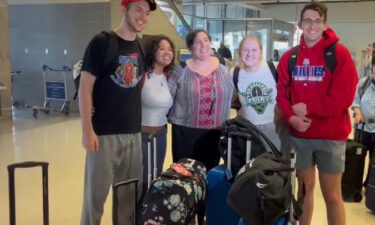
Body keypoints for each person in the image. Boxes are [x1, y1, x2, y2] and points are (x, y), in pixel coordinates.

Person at [276, 2, 358, 225]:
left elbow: (343, 98)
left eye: (317, 20)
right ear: (300, 24)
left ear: (325, 24)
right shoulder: (289, 58)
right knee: (304, 193)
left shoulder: (339, 55)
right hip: (300, 137)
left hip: (330, 137)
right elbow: (281, 94)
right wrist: (291, 117)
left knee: (332, 195)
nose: (312, 25)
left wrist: (310, 109)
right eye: (308, 20)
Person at [78, 0, 156, 225]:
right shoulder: (102, 42)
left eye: (147, 12)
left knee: (128, 200)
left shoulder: (141, 46)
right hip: (103, 136)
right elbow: (85, 87)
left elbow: (139, 83)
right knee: (95, 199)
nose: (143, 16)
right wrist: (87, 131)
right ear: (124, 10)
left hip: (133, 133)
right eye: (138, 9)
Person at [168, 29, 234, 225]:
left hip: (215, 133)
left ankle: (207, 219)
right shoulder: (180, 69)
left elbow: (237, 93)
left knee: (211, 181)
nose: (203, 45)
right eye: (198, 42)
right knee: (186, 182)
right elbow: (164, 98)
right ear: (190, 47)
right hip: (185, 133)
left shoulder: (224, 67)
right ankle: (187, 219)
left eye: (206, 40)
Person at [232, 35, 283, 151]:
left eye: (254, 50)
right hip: (247, 129)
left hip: (274, 128)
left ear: (260, 52)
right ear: (240, 52)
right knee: (250, 167)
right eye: (245, 50)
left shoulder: (274, 68)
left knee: (275, 165)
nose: (249, 54)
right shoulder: (234, 73)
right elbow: (230, 99)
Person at [141, 35, 175, 193]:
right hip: (141, 136)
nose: (167, 52)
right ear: (152, 52)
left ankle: (151, 214)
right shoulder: (142, 75)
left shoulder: (169, 76)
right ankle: (136, 214)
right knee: (142, 179)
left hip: (161, 135)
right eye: (162, 48)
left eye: (170, 49)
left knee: (156, 177)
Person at [352, 70, 375, 187]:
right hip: (362, 128)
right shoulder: (364, 83)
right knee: (358, 157)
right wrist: (358, 114)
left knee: (373, 161)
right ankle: (354, 184)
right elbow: (356, 102)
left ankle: (369, 185)